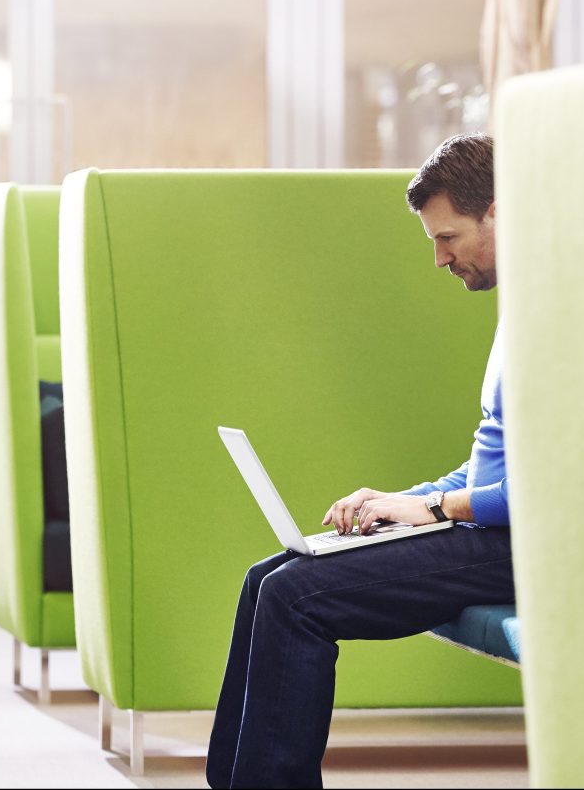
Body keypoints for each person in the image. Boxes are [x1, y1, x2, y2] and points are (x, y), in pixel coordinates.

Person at [206, 133, 513, 789]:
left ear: (499, 210)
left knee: (296, 598)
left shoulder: (565, 319)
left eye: (449, 237)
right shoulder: (518, 314)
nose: (439, 258)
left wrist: (432, 509)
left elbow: (557, 490)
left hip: (525, 544)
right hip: (488, 529)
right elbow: (492, 467)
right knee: (268, 576)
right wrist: (399, 500)